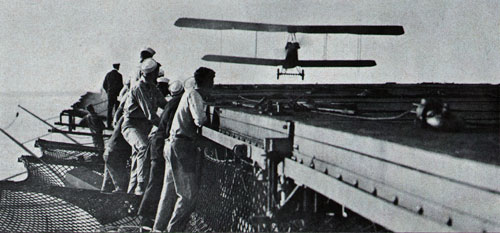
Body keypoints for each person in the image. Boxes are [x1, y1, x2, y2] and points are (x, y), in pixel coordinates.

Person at [153, 67, 216, 232]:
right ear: (208, 82)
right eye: (212, 81)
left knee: (168, 194)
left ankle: (158, 229)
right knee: (188, 196)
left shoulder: (187, 93)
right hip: (181, 147)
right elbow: (200, 120)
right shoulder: (195, 95)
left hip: (172, 145)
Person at [137, 80, 184, 229]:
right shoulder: (177, 104)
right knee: (156, 180)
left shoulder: (171, 103)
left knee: (156, 180)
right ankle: (146, 217)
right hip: (159, 146)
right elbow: (170, 128)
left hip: (157, 145)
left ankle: (148, 216)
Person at [121, 58, 167, 195]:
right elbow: (151, 115)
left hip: (142, 128)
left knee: (137, 160)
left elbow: (165, 104)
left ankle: (130, 197)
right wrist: (166, 128)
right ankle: (141, 186)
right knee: (143, 147)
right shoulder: (139, 88)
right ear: (152, 74)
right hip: (131, 126)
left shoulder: (152, 88)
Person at [103, 63, 123, 128]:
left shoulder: (108, 74)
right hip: (117, 96)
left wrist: (108, 91)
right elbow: (121, 86)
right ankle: (116, 124)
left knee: (109, 110)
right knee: (117, 110)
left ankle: (108, 125)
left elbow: (104, 85)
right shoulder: (119, 75)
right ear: (118, 67)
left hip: (110, 95)